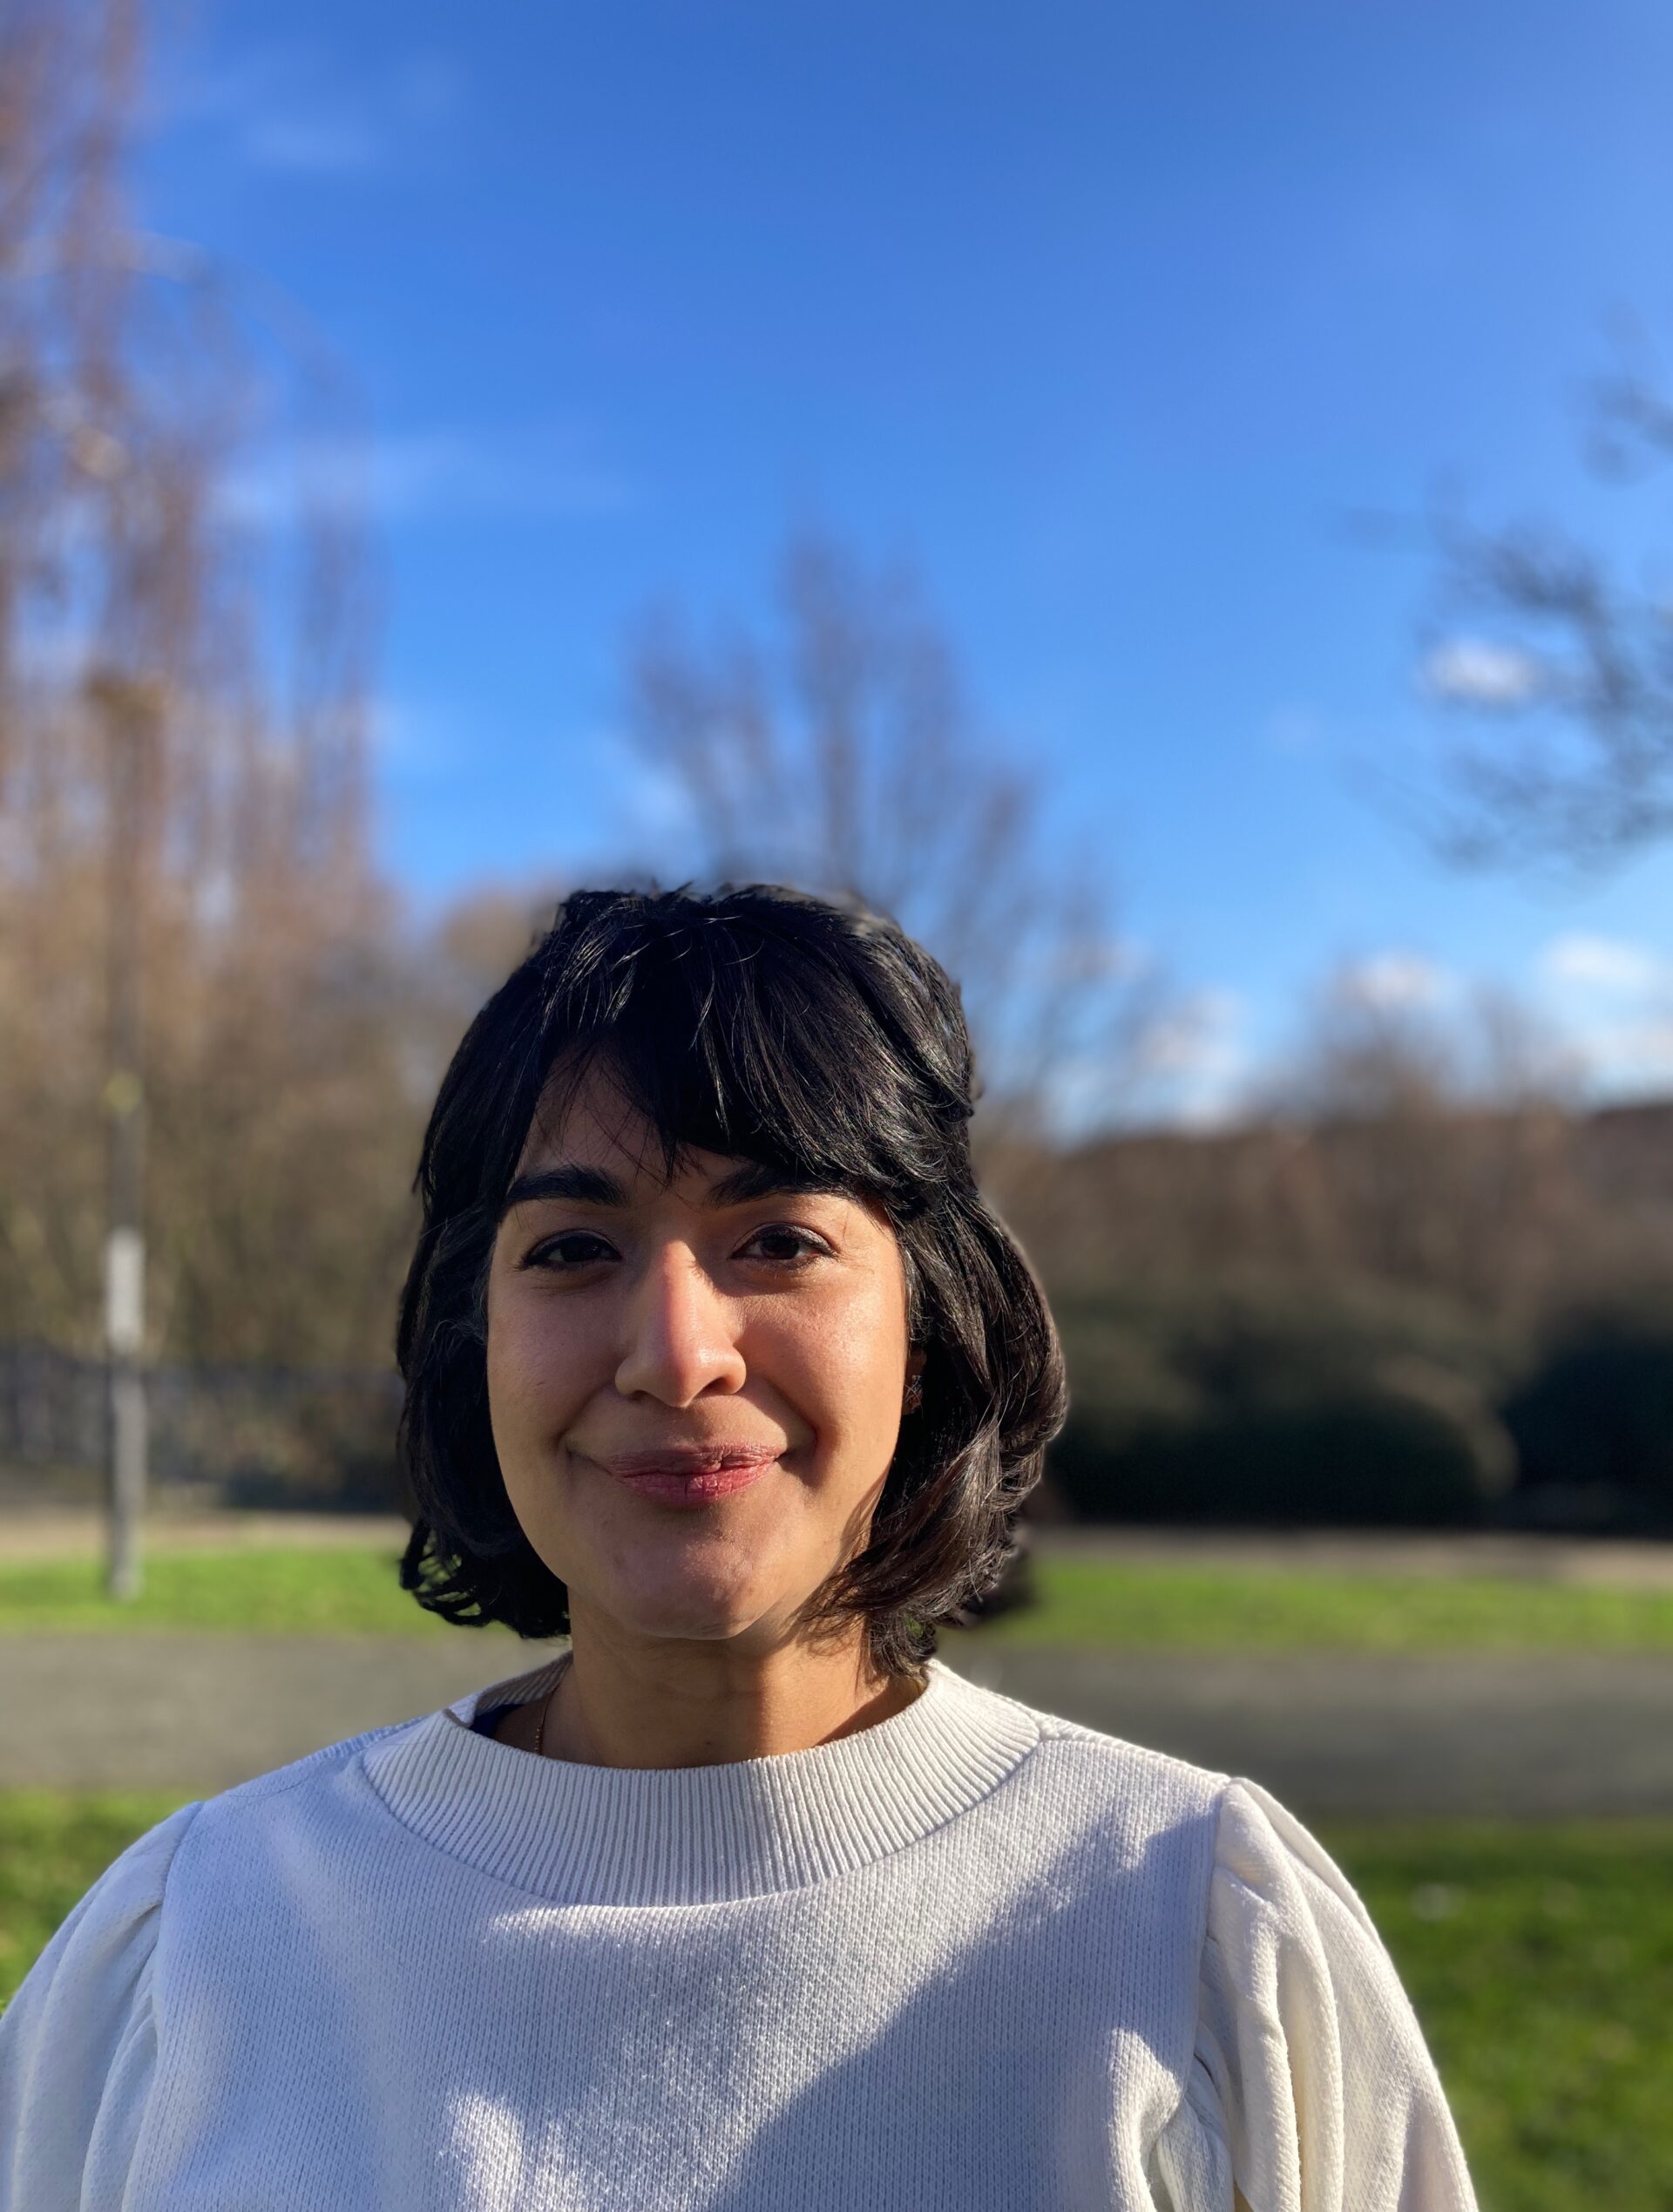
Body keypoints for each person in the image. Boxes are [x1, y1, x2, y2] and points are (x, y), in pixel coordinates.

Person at [0, 884, 1477, 2211]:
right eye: (573, 1248)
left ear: (928, 1320)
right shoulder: (192, 1943)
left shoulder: (1204, 1937)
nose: (675, 1352)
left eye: (777, 1237)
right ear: (474, 1338)